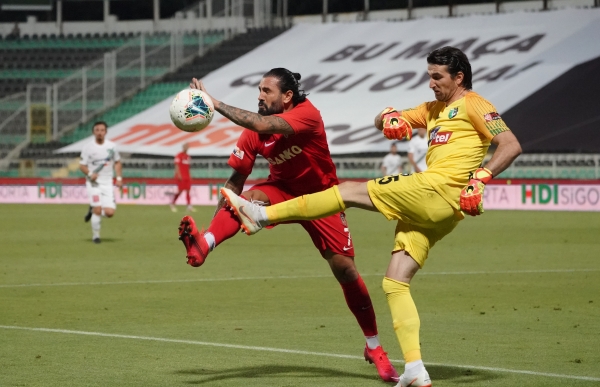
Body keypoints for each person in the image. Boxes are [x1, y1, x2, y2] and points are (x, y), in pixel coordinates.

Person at [220, 47, 522, 387]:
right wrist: (388, 118)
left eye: (437, 77)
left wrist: (481, 177)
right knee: (395, 282)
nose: (431, 83)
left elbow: (510, 144)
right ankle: (415, 369)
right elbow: (386, 118)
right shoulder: (433, 109)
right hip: (440, 212)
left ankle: (262, 215)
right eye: (429, 76)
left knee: (347, 191)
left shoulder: (474, 104)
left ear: (459, 77)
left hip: (438, 189)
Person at [178, 68, 399, 382]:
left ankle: (374, 347)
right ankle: (204, 245)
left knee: (346, 271)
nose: (259, 95)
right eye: (259, 89)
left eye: (266, 90)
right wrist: (211, 228)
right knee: (244, 198)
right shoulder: (253, 133)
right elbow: (235, 182)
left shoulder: (306, 115)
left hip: (323, 198)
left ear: (287, 97)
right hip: (282, 192)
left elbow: (260, 123)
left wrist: (214, 103)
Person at [80, 121, 122, 244]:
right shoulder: (88, 147)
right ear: (93, 132)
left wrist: (119, 178)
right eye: (97, 130)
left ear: (106, 132)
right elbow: (82, 165)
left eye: (102, 130)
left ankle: (91, 211)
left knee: (109, 213)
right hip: (93, 183)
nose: (99, 132)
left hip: (107, 182)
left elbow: (118, 162)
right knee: (98, 209)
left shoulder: (112, 147)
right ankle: (96, 237)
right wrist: (89, 174)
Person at [170, 142, 195, 212]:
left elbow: (188, 168)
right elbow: (176, 165)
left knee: (188, 191)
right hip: (181, 177)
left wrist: (190, 175)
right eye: (185, 147)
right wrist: (178, 175)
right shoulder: (179, 155)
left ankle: (189, 206)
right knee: (180, 191)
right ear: (183, 147)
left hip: (187, 177)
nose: (186, 148)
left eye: (187, 147)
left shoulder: (188, 157)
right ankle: (172, 203)